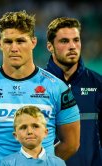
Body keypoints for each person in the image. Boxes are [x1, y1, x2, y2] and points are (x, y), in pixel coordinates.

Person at [0, 10, 80, 166]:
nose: (14, 48)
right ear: (0, 44)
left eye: (20, 41)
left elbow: (71, 143)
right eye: (8, 41)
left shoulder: (57, 88)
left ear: (33, 42)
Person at [45, 17, 102, 166]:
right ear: (50, 46)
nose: (72, 46)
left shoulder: (98, 83)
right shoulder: (35, 85)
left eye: (76, 40)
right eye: (64, 41)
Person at [0, 106, 66, 166]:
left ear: (45, 132)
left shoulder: (58, 163)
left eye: (35, 126)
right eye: (23, 127)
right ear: (15, 135)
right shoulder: (7, 163)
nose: (29, 132)